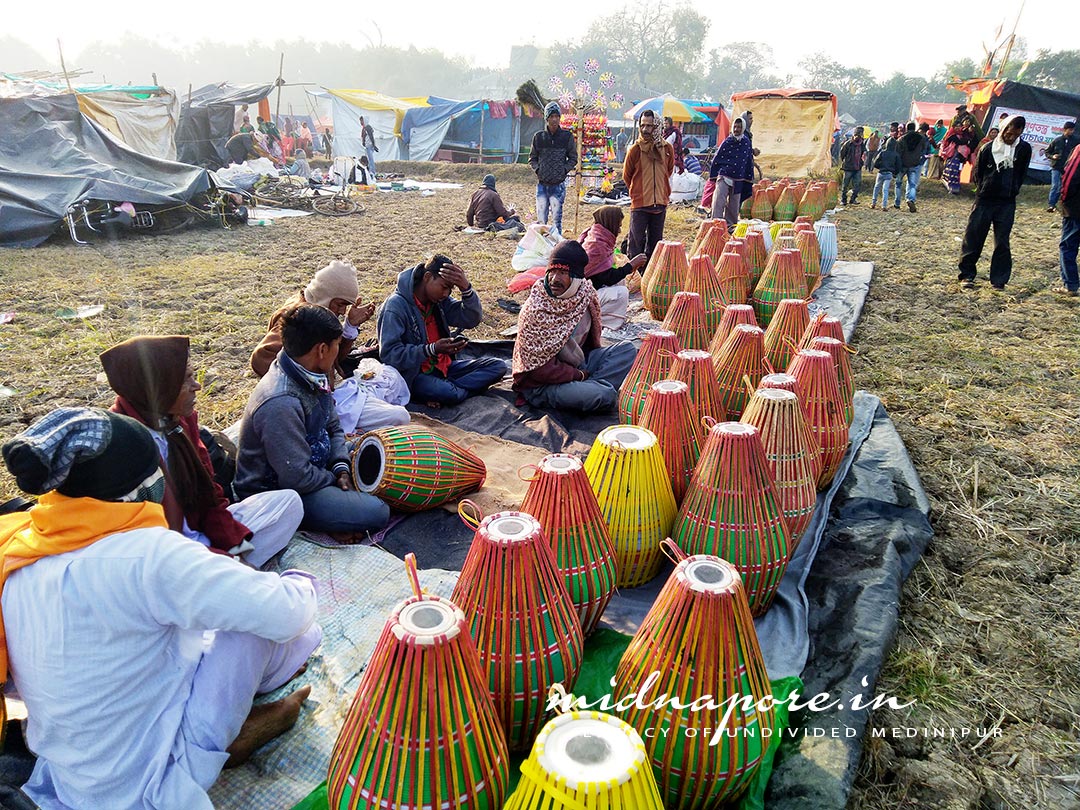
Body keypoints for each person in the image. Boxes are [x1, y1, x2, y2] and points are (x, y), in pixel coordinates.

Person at [0, 407, 321, 809]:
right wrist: (301, 583)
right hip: (154, 780)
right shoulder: (147, 555)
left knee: (218, 615)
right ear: (132, 488)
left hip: (74, 782)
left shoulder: (19, 555)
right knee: (275, 626)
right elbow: (288, 612)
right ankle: (228, 738)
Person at [100, 335, 302, 569]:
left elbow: (210, 493)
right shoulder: (121, 446)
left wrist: (233, 544)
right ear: (158, 387)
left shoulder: (180, 421)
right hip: (165, 557)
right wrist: (217, 559)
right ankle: (225, 578)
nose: (197, 386)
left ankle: (230, 574)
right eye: (187, 379)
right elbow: (142, 545)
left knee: (288, 502)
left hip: (199, 528)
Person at [236, 305, 391, 535]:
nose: (338, 350)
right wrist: (335, 479)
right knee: (378, 511)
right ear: (321, 349)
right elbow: (297, 477)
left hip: (313, 459)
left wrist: (340, 465)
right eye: (337, 344)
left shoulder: (311, 372)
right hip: (282, 491)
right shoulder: (280, 402)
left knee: (377, 450)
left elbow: (333, 425)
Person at [511, 241, 638, 413]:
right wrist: (578, 376)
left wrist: (581, 373)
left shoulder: (585, 295)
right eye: (552, 271)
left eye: (563, 273)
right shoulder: (535, 309)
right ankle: (594, 388)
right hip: (542, 384)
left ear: (577, 278)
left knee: (628, 350)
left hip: (578, 364)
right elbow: (538, 371)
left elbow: (591, 343)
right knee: (605, 395)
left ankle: (591, 387)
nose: (555, 279)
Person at [378, 255, 506, 407]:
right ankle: (447, 391)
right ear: (427, 277)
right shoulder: (396, 306)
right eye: (444, 287)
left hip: (444, 368)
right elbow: (390, 355)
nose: (446, 294)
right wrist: (431, 349)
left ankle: (445, 390)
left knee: (498, 366)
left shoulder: (438, 301)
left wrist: (466, 288)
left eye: (451, 290)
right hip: (415, 375)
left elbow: (470, 319)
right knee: (449, 393)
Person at [252, 260, 375, 380]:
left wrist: (350, 326)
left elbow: (329, 358)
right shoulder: (300, 317)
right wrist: (306, 383)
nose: (343, 312)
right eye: (340, 304)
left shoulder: (311, 310)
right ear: (326, 296)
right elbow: (261, 357)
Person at [957, 115, 1032, 291]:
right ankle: (967, 275)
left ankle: (999, 280)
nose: (1011, 137)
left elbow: (1021, 173)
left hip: (1007, 202)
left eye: (1016, 134)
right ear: (1004, 129)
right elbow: (978, 174)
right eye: (1009, 133)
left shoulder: (1023, 149)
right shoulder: (988, 149)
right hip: (984, 200)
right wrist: (985, 188)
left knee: (1002, 242)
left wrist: (1012, 189)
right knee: (974, 237)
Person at [579, 205, 648, 329]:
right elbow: (607, 278)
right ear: (610, 223)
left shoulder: (598, 236)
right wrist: (630, 266)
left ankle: (605, 316)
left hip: (590, 287)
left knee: (620, 282)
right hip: (581, 298)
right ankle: (604, 323)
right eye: (619, 226)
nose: (620, 231)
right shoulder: (596, 245)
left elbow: (603, 275)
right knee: (622, 293)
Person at [624, 110, 676, 257]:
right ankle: (633, 277)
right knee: (635, 245)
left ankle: (649, 277)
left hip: (660, 203)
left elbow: (669, 171)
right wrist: (639, 192)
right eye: (642, 125)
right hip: (640, 205)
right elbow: (627, 176)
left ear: (657, 126)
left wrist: (660, 192)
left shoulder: (667, 149)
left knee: (655, 246)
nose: (645, 129)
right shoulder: (635, 150)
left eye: (649, 126)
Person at [529, 102, 577, 234]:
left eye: (557, 116)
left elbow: (573, 158)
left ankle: (557, 248)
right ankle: (540, 248)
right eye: (552, 116)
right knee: (541, 222)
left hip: (558, 185)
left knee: (557, 220)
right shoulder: (539, 137)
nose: (554, 119)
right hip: (542, 185)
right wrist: (538, 170)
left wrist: (563, 170)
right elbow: (532, 158)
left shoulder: (566, 137)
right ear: (547, 118)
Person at [708, 116, 755, 225]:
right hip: (724, 175)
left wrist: (748, 177)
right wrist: (714, 174)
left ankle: (730, 226)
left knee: (734, 205)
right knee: (719, 200)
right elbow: (718, 157)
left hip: (739, 177)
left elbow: (748, 160)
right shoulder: (728, 141)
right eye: (735, 126)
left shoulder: (746, 143)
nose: (736, 129)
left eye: (739, 127)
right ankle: (716, 224)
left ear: (743, 128)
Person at [1054, 144, 1080, 295]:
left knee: (1068, 246)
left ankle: (1070, 285)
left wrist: (1063, 198)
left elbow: (1070, 178)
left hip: (1076, 208)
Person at [895, 122, 929, 212]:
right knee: (912, 184)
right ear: (915, 128)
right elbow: (923, 150)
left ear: (906, 128)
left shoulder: (901, 139)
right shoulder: (921, 138)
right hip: (914, 164)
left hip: (903, 164)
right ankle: (911, 199)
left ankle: (897, 203)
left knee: (898, 184)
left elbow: (898, 152)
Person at [1046, 121, 1078, 212]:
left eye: (1073, 130)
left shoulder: (1076, 141)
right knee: (1056, 186)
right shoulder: (1057, 140)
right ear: (1065, 130)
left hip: (1069, 167)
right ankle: (1051, 205)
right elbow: (1047, 151)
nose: (1071, 132)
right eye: (1070, 130)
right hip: (1057, 166)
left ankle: (1064, 204)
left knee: (1065, 186)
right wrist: (1053, 156)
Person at [941, 118, 979, 194]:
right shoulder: (952, 134)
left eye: (959, 126)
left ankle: (956, 186)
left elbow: (969, 142)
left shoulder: (964, 133)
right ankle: (951, 186)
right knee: (952, 170)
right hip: (953, 155)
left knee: (958, 170)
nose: (958, 128)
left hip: (961, 157)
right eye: (956, 126)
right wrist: (966, 141)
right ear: (953, 127)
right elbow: (958, 141)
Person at [870, 136, 902, 210]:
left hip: (881, 172)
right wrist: (895, 173)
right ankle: (884, 205)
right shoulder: (896, 154)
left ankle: (873, 203)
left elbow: (875, 162)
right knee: (885, 189)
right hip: (889, 173)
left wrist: (879, 167)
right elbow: (898, 166)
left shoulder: (882, 152)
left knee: (876, 188)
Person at [838, 130, 866, 206]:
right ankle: (843, 200)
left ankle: (853, 199)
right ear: (854, 135)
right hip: (848, 167)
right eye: (857, 135)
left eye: (860, 135)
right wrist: (845, 162)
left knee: (857, 184)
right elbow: (842, 153)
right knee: (845, 185)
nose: (858, 137)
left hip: (858, 167)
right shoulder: (848, 144)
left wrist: (861, 162)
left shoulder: (862, 144)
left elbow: (863, 154)